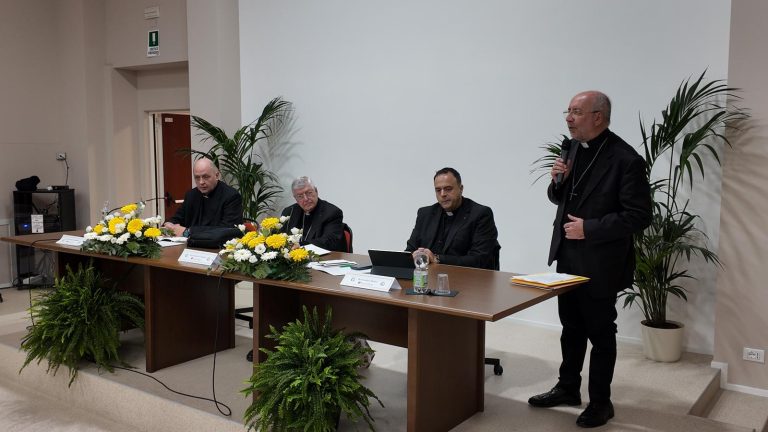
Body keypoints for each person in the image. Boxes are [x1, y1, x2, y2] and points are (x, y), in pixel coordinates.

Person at [528, 91, 651, 428]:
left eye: (576, 112)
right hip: (568, 256)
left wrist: (590, 229)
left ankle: (601, 402)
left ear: (598, 116)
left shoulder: (625, 159)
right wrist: (557, 182)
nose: (568, 118)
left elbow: (639, 216)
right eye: (567, 111)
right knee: (571, 327)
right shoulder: (570, 149)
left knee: (600, 332)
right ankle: (568, 388)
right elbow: (560, 197)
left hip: (601, 261)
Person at [406, 167, 500, 270]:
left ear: (461, 189)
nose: (443, 194)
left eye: (448, 189)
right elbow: (409, 251)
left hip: (467, 278)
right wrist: (414, 255)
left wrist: (437, 258)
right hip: (428, 277)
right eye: (438, 190)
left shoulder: (481, 214)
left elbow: (479, 260)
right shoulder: (425, 214)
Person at [163, 158, 243, 237]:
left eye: (206, 177)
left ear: (217, 175)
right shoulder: (191, 195)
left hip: (217, 244)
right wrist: (169, 224)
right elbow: (178, 217)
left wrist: (188, 232)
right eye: (197, 178)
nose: (201, 182)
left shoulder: (231, 196)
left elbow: (227, 230)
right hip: (190, 243)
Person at [280, 176, 346, 252]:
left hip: (324, 257)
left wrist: (301, 245)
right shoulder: (289, 212)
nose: (306, 199)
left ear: (316, 191)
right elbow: (280, 237)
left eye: (309, 193)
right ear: (295, 198)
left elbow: (330, 241)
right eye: (300, 196)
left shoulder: (331, 212)